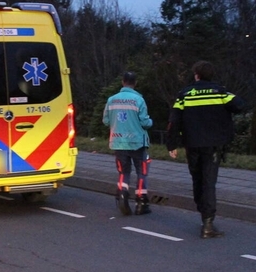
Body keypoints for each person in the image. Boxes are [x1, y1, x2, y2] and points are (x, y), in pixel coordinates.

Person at [166, 61, 247, 238]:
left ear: (196, 75)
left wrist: (172, 144)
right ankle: (208, 223)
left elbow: (174, 119)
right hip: (213, 145)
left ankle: (203, 213)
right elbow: (240, 105)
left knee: (197, 179)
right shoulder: (220, 92)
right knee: (209, 182)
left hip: (192, 144)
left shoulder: (185, 94)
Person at [102, 71, 153, 216]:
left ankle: (122, 194)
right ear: (135, 83)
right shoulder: (138, 100)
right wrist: (151, 122)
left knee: (123, 172)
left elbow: (106, 121)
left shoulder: (111, 100)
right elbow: (145, 122)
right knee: (141, 172)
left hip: (118, 142)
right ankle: (141, 203)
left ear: (122, 82)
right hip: (137, 142)